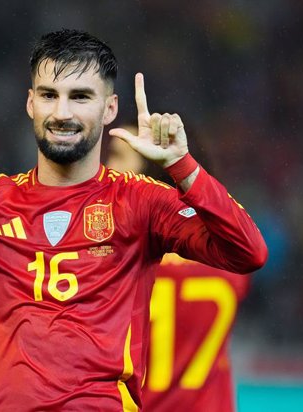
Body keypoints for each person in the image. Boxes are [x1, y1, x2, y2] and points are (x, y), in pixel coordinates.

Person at [0, 29, 267, 411]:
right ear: (30, 104)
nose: (62, 113)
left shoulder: (142, 202)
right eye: (49, 95)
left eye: (80, 97)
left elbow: (247, 252)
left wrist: (183, 167)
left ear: (110, 108)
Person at [107, 126, 251, 411]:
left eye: (117, 156)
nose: (107, 167)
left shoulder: (122, 263)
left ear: (149, 169)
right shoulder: (228, 263)